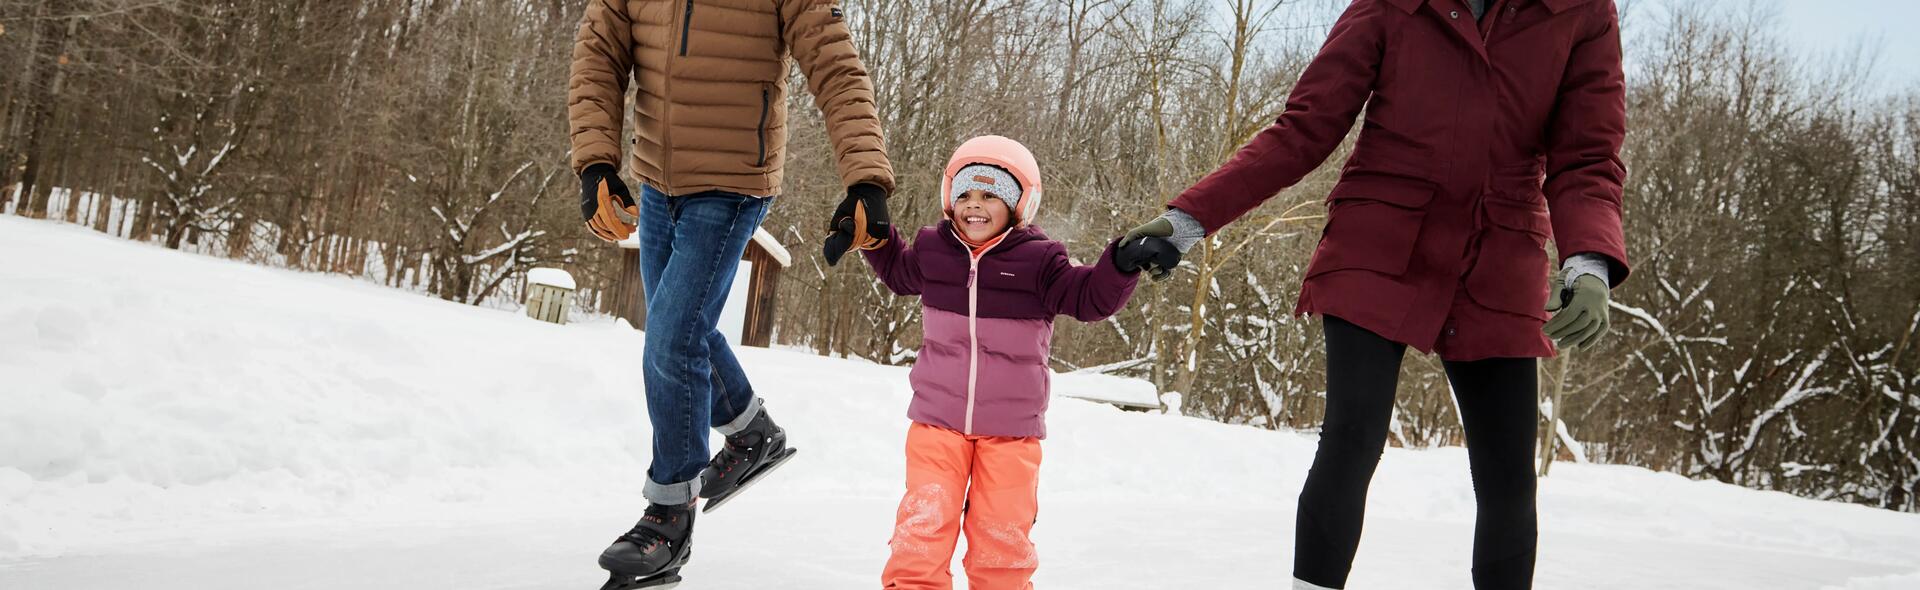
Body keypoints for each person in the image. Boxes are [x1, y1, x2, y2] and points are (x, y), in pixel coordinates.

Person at [1124, 0, 1630, 588]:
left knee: (1510, 476)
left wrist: (1588, 262)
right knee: (1352, 435)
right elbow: (1305, 127)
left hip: (1501, 250)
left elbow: (1588, 156)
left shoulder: (1581, 11)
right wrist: (1188, 221)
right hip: (1379, 239)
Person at [565, 0, 896, 587]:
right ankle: (751, 432)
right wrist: (597, 163)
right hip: (657, 180)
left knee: (671, 338)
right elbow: (598, 56)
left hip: (733, 184)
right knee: (680, 329)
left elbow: (836, 66)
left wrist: (865, 178)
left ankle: (669, 514)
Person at [860, 135, 1175, 589]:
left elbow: (1089, 299)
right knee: (921, 529)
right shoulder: (934, 249)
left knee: (1002, 540)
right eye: (965, 194)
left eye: (991, 195)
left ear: (1018, 204)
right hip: (936, 423)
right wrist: (874, 236)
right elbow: (898, 272)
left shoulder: (1040, 260)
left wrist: (1121, 263)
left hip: (1010, 432)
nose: (975, 205)